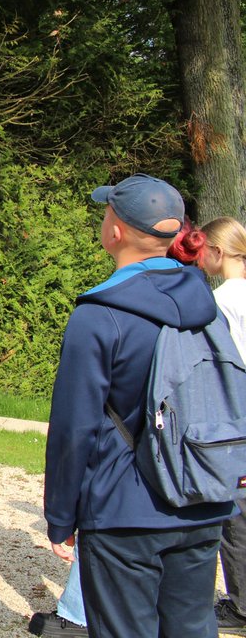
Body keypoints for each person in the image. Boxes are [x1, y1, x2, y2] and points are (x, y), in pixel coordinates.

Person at [44, 174, 235, 638]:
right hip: (202, 497)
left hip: (123, 510)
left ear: (115, 231)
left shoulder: (98, 314)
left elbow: (74, 427)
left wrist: (60, 516)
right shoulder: (208, 307)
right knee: (191, 628)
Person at [197, 217, 246, 637]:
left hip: (237, 412)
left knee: (236, 512)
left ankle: (241, 605)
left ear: (216, 251)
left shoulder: (221, 301)